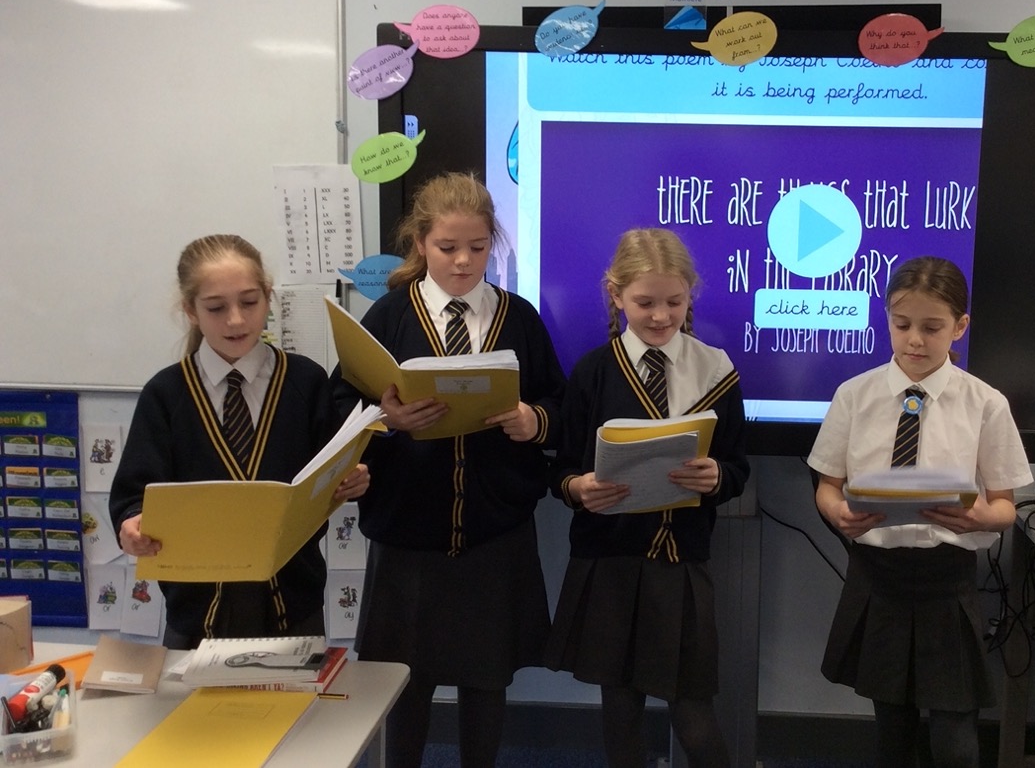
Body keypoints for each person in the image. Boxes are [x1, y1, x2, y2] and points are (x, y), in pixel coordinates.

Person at [332, 172, 565, 768]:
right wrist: (385, 418)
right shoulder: (389, 316)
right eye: (447, 247)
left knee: (487, 680)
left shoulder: (519, 317)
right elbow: (338, 411)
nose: (463, 261)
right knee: (404, 684)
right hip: (408, 535)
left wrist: (534, 420)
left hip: (495, 531)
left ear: (493, 244)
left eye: (478, 247)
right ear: (420, 244)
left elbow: (560, 405)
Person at [808, 256, 1032, 768]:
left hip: (945, 580)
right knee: (893, 727)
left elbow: (1005, 507)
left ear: (959, 326)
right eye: (901, 324)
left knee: (954, 740)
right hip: (877, 575)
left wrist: (983, 518)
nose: (914, 340)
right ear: (887, 319)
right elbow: (828, 486)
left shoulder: (985, 403)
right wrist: (837, 513)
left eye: (931, 328)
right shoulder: (855, 395)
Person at [546, 227, 750, 768]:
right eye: (645, 303)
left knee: (694, 712)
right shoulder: (593, 372)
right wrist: (578, 488)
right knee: (620, 709)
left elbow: (737, 467)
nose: (661, 316)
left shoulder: (715, 369)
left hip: (681, 562)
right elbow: (562, 471)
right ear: (616, 296)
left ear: (690, 296)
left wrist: (717, 477)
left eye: (674, 302)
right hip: (610, 560)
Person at [109, 234, 370, 648]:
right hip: (197, 614)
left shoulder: (305, 382)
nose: (235, 320)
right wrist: (132, 526)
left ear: (268, 297)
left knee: (298, 694)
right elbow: (133, 497)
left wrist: (352, 480)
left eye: (249, 302)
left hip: (293, 606)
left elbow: (332, 471)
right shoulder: (166, 395)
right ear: (190, 311)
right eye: (216, 308)